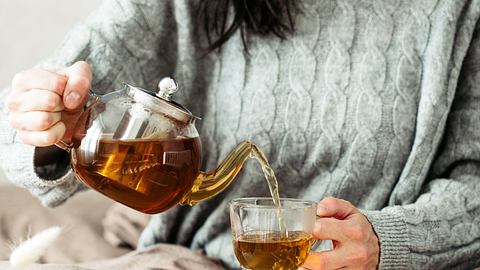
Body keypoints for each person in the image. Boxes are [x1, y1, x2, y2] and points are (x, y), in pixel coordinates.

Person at [1, 0, 480, 269]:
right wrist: (47, 126)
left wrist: (387, 242)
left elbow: (473, 181)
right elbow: (15, 135)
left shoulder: (452, 12)